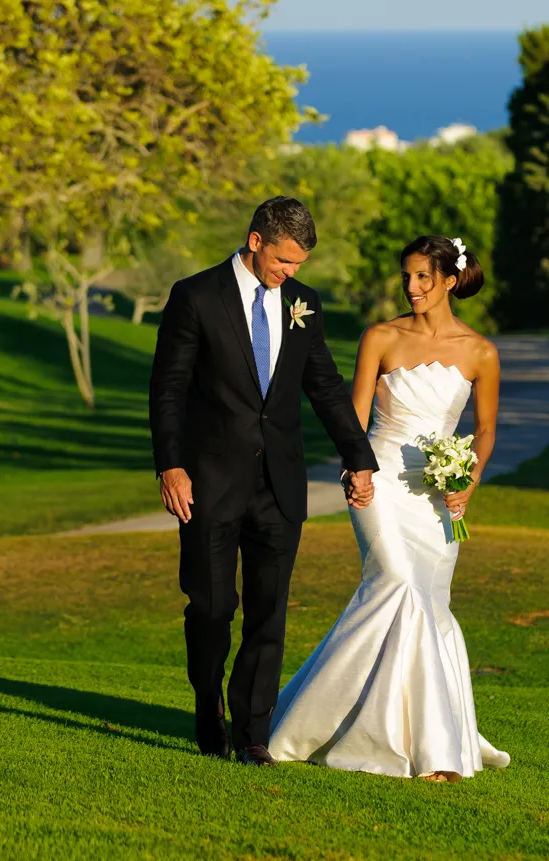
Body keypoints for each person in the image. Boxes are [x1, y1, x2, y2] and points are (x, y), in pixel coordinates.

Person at [267, 235, 511, 782]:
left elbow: (487, 429)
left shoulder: (480, 352)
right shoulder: (380, 336)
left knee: (427, 601)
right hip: (378, 478)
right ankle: (318, 728)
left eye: (424, 277)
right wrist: (354, 468)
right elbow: (352, 414)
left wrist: (468, 481)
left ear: (450, 281)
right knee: (397, 582)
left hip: (438, 496)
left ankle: (429, 742)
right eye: (406, 277)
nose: (412, 287)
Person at [149, 197, 379, 766]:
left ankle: (254, 732)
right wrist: (170, 465)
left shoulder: (304, 304)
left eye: (299, 265)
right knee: (211, 605)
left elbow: (324, 385)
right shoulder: (195, 296)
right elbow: (168, 389)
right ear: (256, 241)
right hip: (207, 481)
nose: (290, 274)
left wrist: (358, 456)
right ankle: (208, 704)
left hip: (280, 484)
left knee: (268, 612)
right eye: (283, 261)